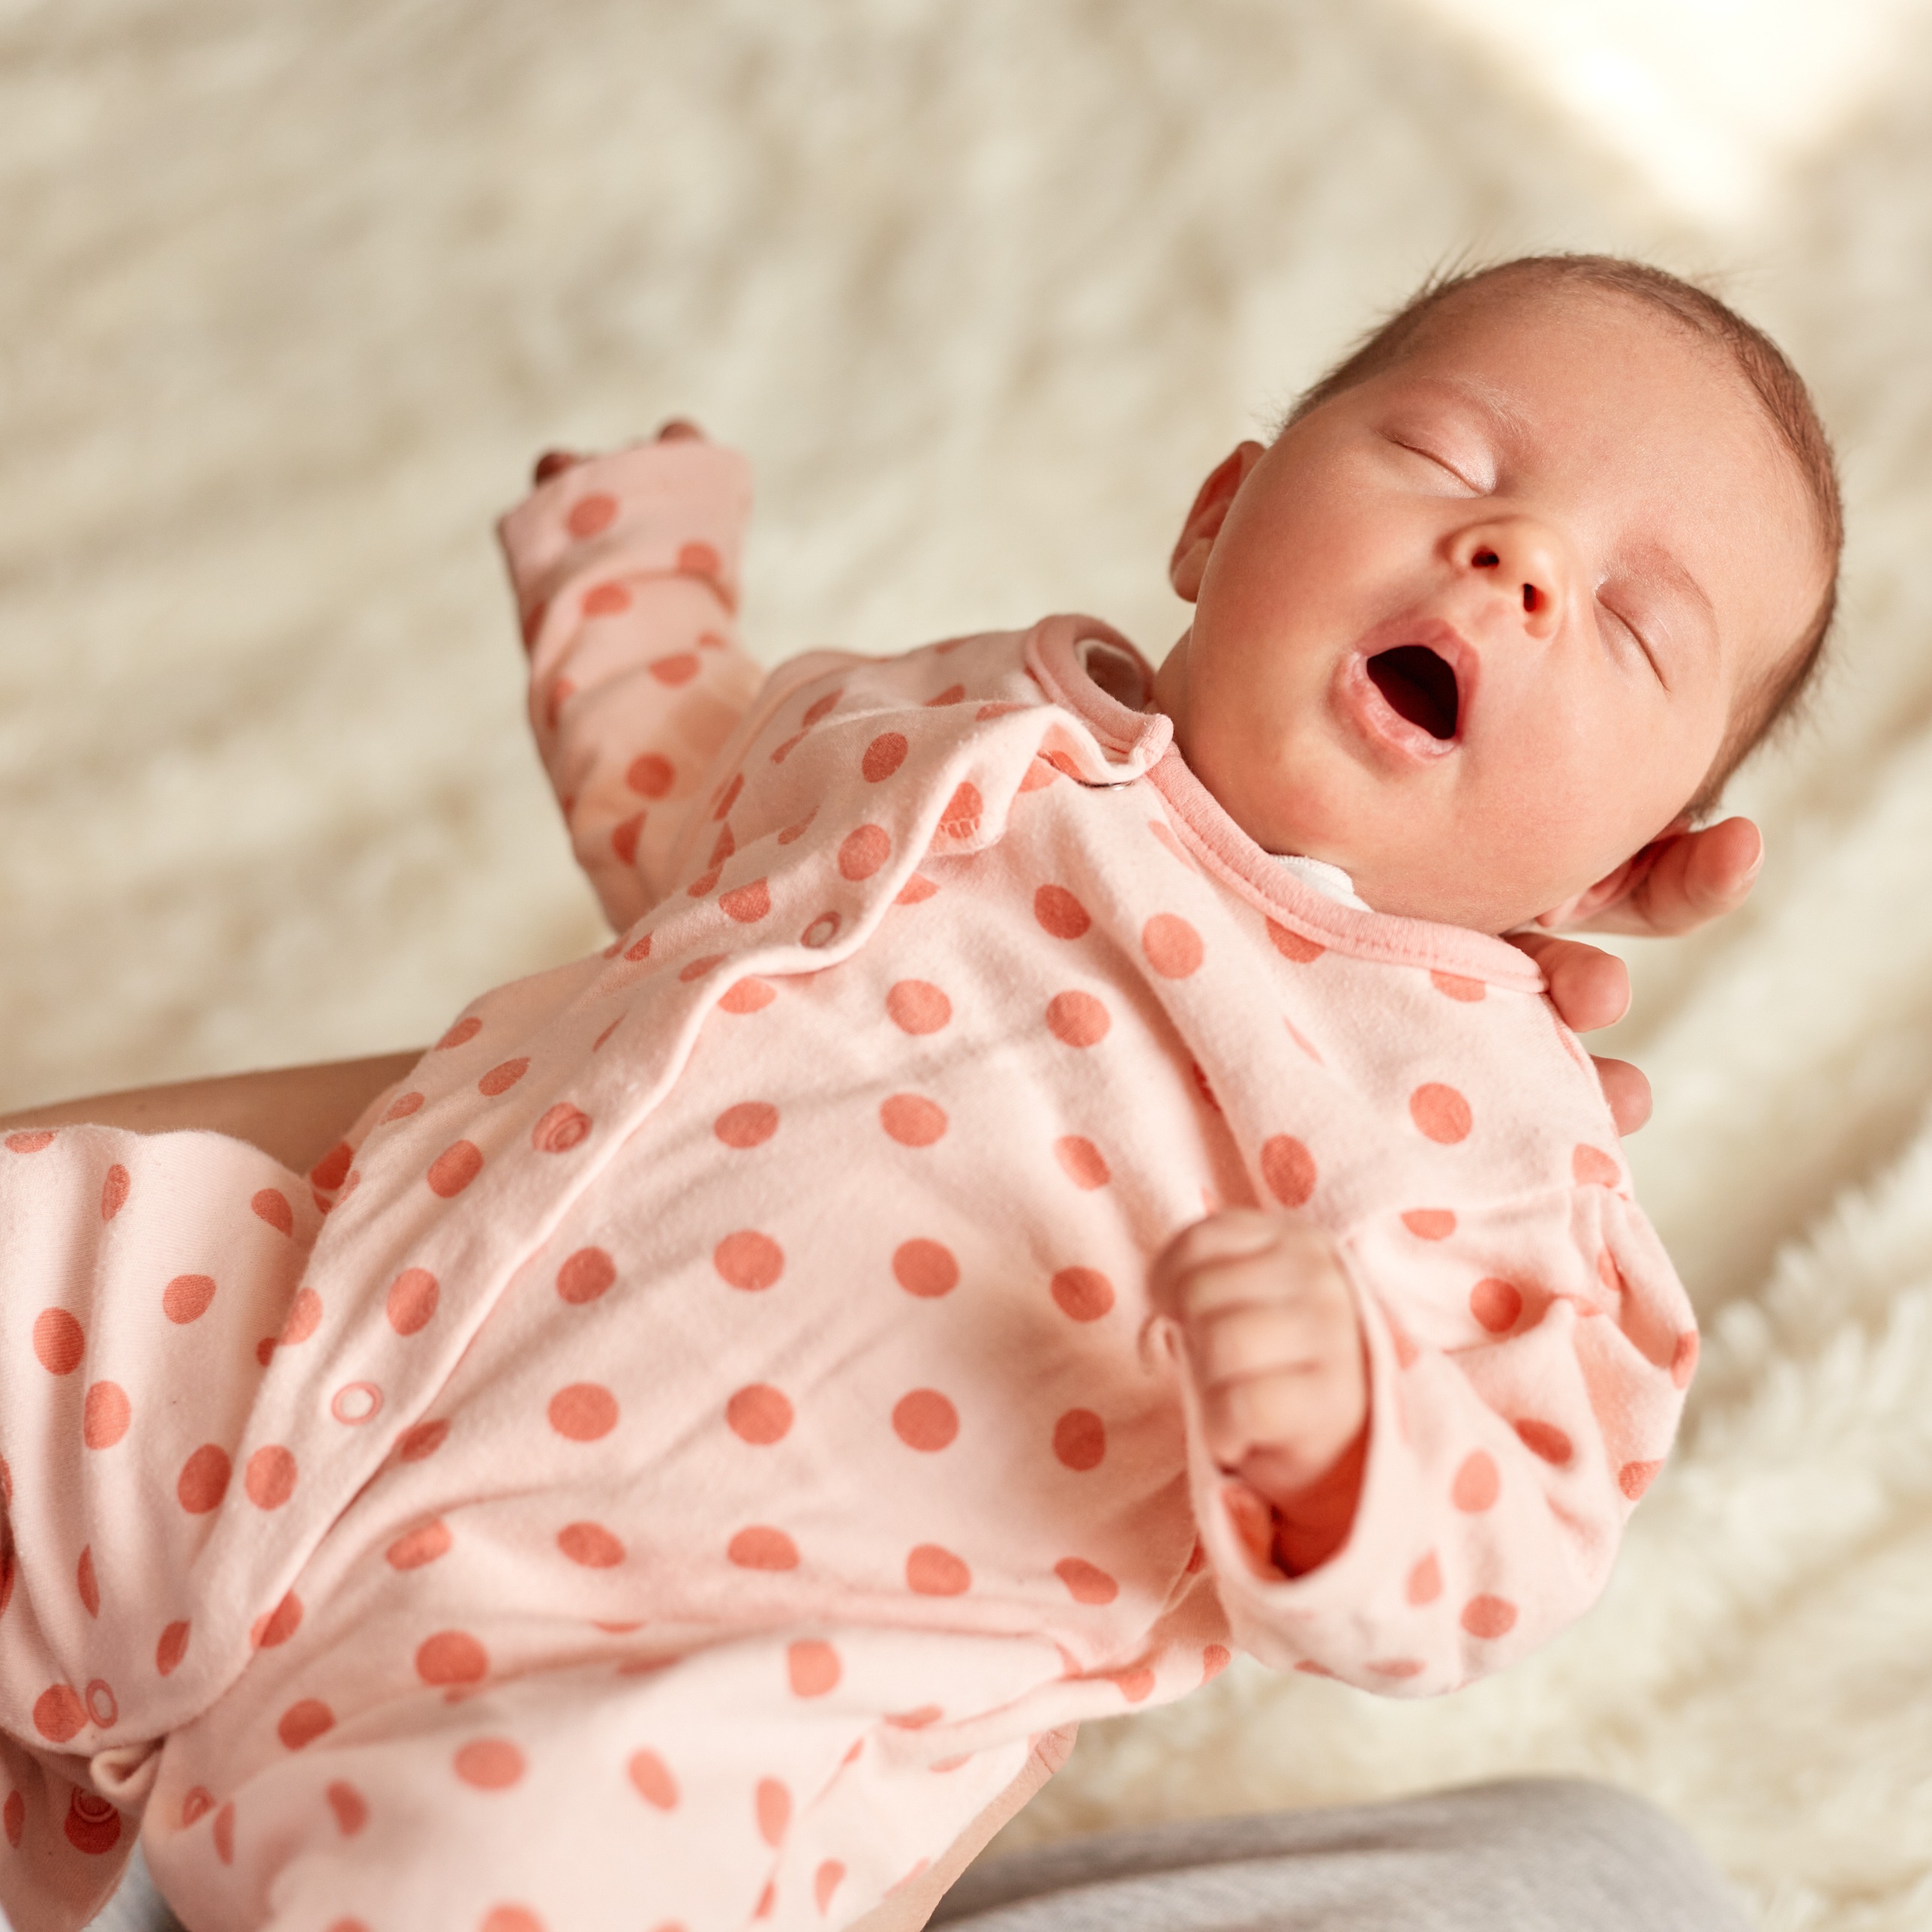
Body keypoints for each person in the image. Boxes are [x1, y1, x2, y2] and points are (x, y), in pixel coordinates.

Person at [0, 254, 1836, 1932]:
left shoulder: (1496, 1145)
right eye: (1443, 458)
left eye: (1632, 626)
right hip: (290, 1342)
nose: (1517, 558)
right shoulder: (957, 723)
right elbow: (692, 791)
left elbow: (1527, 1515)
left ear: (1625, 865)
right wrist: (626, 580)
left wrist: (1352, 1443)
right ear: (1217, 516)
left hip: (644, 1679)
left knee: (512, 1874)